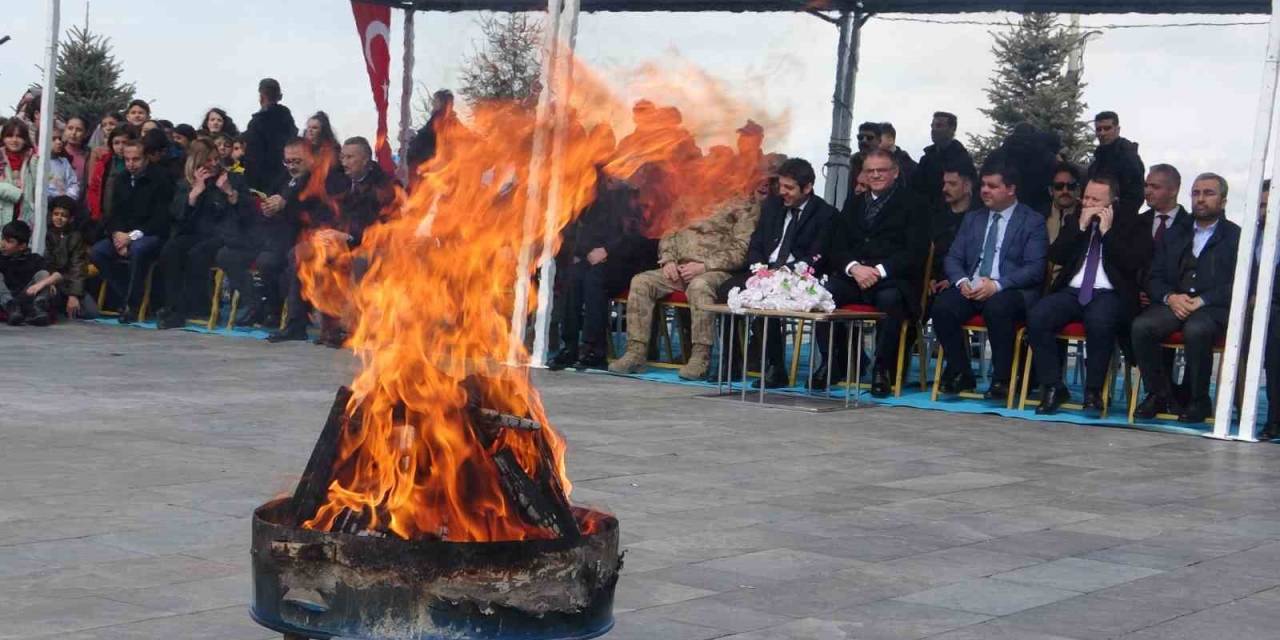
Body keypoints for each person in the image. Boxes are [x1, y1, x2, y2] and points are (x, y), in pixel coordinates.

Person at [608, 178, 760, 380]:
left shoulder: (743, 204)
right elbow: (669, 233)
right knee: (641, 282)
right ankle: (636, 353)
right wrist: (668, 259)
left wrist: (704, 266)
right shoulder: (686, 199)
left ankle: (700, 358)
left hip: (715, 271)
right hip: (678, 268)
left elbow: (742, 250)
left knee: (700, 286)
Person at [1026, 176, 1151, 414]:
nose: (1088, 202)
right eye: (1086, 197)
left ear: (1111, 202)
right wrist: (1079, 228)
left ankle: (1093, 391)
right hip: (1073, 290)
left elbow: (1134, 263)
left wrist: (1107, 234)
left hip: (1109, 292)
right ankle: (1053, 386)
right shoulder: (1076, 219)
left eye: (1095, 199)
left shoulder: (1131, 224)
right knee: (1039, 315)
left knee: (1100, 321)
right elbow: (1056, 255)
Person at [713, 156, 836, 387]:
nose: (783, 192)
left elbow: (819, 255)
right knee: (725, 291)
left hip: (798, 275)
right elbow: (756, 244)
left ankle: (774, 366)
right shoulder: (772, 206)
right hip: (764, 271)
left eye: (789, 188)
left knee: (770, 296)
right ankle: (732, 361)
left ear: (807, 187)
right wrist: (760, 269)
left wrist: (783, 271)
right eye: (781, 186)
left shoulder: (825, 214)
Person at [814, 149, 928, 396]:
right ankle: (833, 362)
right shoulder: (853, 203)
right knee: (824, 296)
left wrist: (877, 271)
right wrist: (854, 268)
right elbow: (837, 246)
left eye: (882, 170)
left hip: (893, 279)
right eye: (870, 171)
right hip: (855, 276)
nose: (875, 175)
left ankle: (882, 370)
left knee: (891, 300)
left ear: (895, 172)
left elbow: (915, 253)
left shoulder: (916, 203)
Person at [931, 162, 1048, 399]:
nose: (984, 190)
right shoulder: (974, 218)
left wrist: (996, 285)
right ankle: (961, 372)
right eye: (983, 185)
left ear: (1011, 189)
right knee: (942, 307)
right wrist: (962, 281)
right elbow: (953, 257)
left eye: (992, 186)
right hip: (972, 286)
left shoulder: (1032, 220)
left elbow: (1035, 268)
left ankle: (1002, 380)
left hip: (1010, 289)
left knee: (998, 308)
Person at [1133, 173, 1241, 424]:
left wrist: (1203, 300)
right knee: (1142, 326)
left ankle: (1198, 399)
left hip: (1211, 307)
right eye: (1196, 193)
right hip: (1175, 302)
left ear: (1223, 201)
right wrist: (1170, 297)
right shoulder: (1175, 233)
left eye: (1208, 193)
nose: (1200, 199)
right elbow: (1154, 276)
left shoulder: (1235, 237)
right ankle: (1160, 394)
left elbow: (1240, 283)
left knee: (1197, 329)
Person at [268, 136, 397, 346]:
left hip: (372, 244)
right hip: (338, 241)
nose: (344, 162)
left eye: (350, 157)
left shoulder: (385, 186)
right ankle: (297, 325)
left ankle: (352, 328)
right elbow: (327, 212)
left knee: (357, 262)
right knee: (300, 253)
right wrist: (324, 231)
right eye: (343, 157)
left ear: (366, 159)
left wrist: (349, 236)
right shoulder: (340, 182)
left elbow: (385, 224)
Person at [549, 172, 660, 371]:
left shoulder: (638, 197)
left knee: (595, 279)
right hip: (597, 258)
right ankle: (570, 346)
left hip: (630, 262)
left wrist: (608, 250)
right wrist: (584, 252)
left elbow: (642, 236)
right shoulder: (599, 199)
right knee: (573, 276)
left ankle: (595, 349)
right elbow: (586, 229)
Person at [217, 137, 310, 327]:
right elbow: (263, 205)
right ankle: (255, 305)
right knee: (227, 255)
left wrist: (285, 206)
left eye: (297, 161)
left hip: (297, 238)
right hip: (267, 236)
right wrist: (267, 209)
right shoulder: (283, 178)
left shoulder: (315, 180)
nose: (291, 166)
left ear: (309, 159)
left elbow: (311, 214)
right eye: (288, 161)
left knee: (268, 261)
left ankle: (274, 310)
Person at [155, 139, 247, 329]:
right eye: (208, 160)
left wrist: (228, 192)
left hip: (222, 235)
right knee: (171, 249)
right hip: (196, 233)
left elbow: (242, 215)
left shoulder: (232, 179)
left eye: (215, 159)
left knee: (197, 253)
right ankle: (172, 307)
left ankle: (187, 307)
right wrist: (194, 195)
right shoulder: (185, 183)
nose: (214, 164)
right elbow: (179, 220)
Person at [89, 139, 174, 323]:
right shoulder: (121, 179)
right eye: (127, 159)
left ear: (146, 158)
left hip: (150, 234)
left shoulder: (161, 178)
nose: (131, 164)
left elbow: (161, 218)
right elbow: (114, 213)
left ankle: (132, 306)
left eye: (136, 159)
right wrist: (117, 235)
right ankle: (125, 293)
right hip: (123, 234)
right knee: (97, 252)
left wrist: (131, 237)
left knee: (139, 249)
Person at [44, 195, 97, 319]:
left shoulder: (76, 236)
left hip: (69, 282)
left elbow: (78, 267)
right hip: (52, 280)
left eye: (63, 215)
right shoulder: (47, 233)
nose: (59, 218)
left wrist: (74, 295)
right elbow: (47, 260)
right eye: (56, 214)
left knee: (91, 312)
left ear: (71, 219)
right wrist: (50, 278)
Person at [913, 111, 977, 211]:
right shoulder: (926, 159)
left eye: (939, 126)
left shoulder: (962, 159)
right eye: (932, 126)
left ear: (952, 129)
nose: (933, 130)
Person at [243, 78, 299, 193]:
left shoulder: (257, 123)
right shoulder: (286, 117)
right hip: (286, 177)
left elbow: (253, 158)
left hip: (262, 182)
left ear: (261, 97)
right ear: (280, 96)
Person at [929, 165, 977, 293]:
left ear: (967, 186)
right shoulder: (937, 217)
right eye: (944, 183)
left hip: (965, 283)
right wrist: (931, 277)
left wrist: (953, 279)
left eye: (952, 184)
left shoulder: (980, 219)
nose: (945, 188)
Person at [1088, 111, 1146, 218]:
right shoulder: (1097, 158)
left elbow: (1136, 194)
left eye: (1107, 128)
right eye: (1098, 129)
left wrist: (1119, 215)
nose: (1102, 133)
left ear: (1117, 129)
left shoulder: (1128, 157)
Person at [0, 220, 54, 326]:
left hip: (26, 298)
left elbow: (56, 275)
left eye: (9, 241)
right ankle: (11, 309)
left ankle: (38, 309)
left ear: (22, 246)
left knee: (43, 274)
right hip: (6, 301)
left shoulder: (34, 259)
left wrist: (45, 282)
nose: (3, 244)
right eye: (3, 239)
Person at [86, 125, 137, 231]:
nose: (121, 147)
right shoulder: (104, 162)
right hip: (105, 219)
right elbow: (94, 188)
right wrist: (96, 213)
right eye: (116, 143)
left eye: (125, 142)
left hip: (130, 221)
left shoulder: (138, 165)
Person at [0, 119, 36, 225]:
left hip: (25, 215)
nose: (14, 140)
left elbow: (40, 183)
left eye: (19, 136)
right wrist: (15, 193)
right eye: (10, 136)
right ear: (3, 138)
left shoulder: (31, 158)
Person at [1045, 163, 1083, 247]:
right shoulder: (1039, 216)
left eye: (1071, 186)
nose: (1065, 191)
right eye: (1059, 186)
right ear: (1050, 190)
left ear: (1078, 190)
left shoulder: (1085, 216)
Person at [45, 127, 81, 200]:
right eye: (53, 139)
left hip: (63, 205)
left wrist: (66, 198)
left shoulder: (64, 162)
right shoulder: (38, 162)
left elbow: (73, 184)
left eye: (60, 139)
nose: (59, 142)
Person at [62, 115, 91, 187]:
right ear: (65, 130)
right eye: (70, 128)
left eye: (79, 130)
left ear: (86, 133)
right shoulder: (56, 152)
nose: (73, 133)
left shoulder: (90, 156)